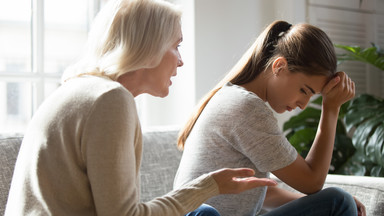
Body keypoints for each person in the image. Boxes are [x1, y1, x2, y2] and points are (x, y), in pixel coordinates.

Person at [4, 0, 278, 215]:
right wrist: (209, 186)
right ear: (149, 47)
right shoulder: (110, 100)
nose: (181, 61)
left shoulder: (78, 89)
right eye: (176, 46)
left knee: (202, 212)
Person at [174, 20, 366, 216]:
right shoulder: (246, 107)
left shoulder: (232, 98)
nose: (303, 104)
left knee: (338, 202)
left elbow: (264, 193)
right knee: (339, 201)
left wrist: (318, 207)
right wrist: (331, 109)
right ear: (279, 67)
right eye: (304, 90)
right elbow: (312, 182)